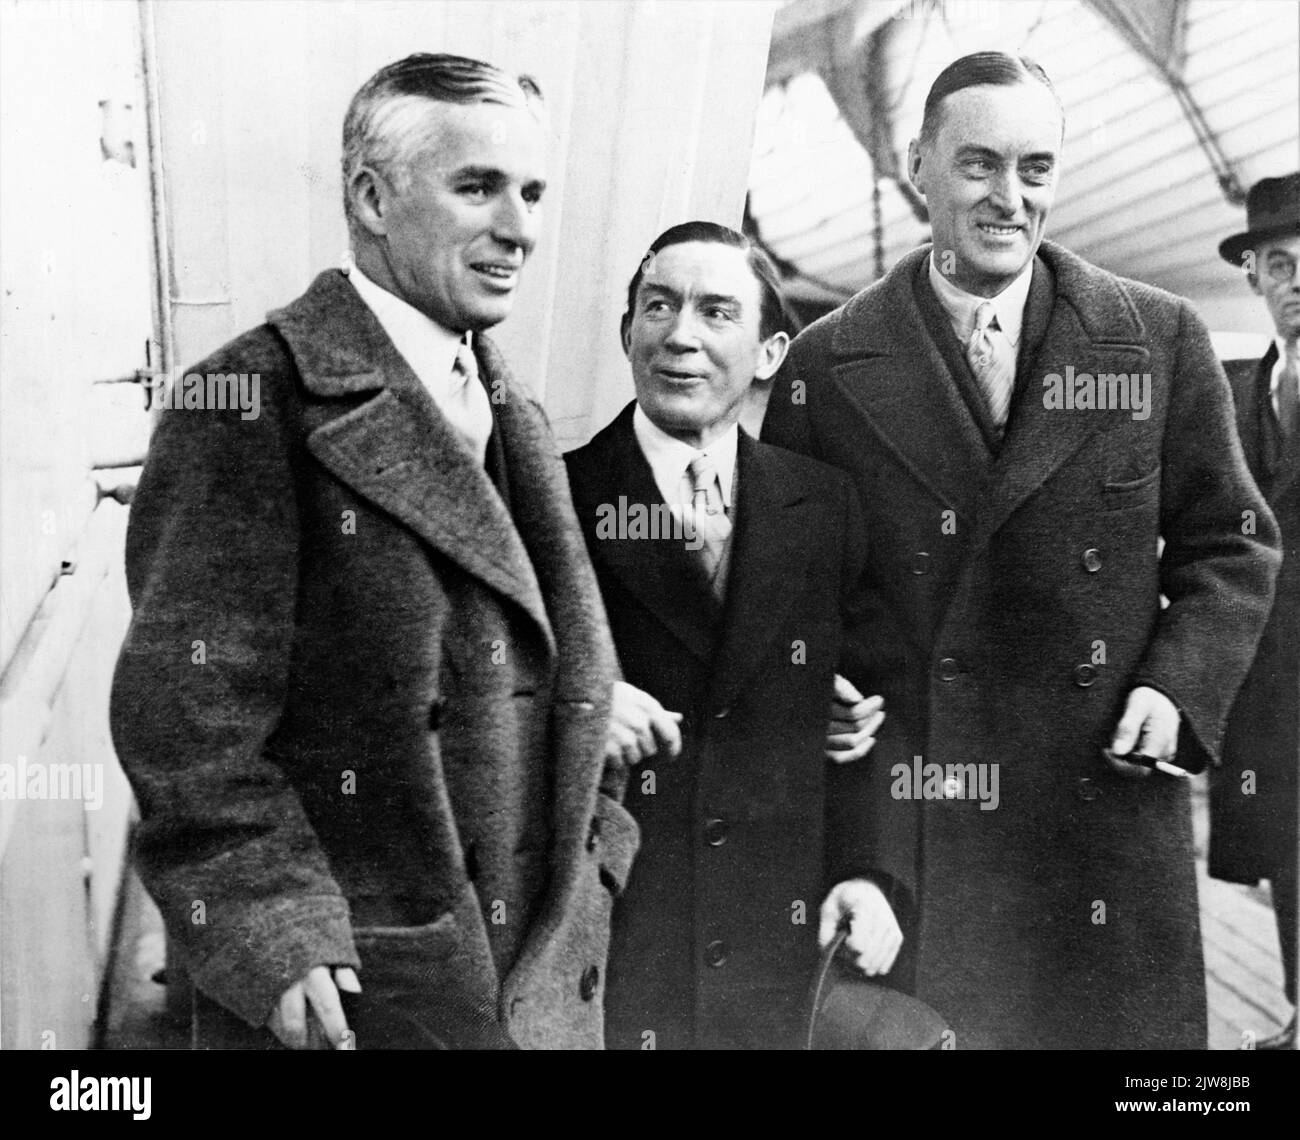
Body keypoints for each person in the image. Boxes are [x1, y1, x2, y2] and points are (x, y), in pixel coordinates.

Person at [110, 52, 678, 1050]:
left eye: (533, 191)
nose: (520, 229)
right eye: (477, 189)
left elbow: (500, 638)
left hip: (531, 961)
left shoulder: (512, 406)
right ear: (371, 198)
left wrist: (595, 807)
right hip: (364, 984)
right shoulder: (249, 401)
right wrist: (272, 928)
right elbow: (186, 723)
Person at [762, 51, 1281, 1049]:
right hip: (921, 829)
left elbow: (1233, 544)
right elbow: (790, 600)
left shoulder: (1154, 339)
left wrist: (1175, 689)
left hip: (1104, 824)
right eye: (978, 165)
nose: (1010, 197)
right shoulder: (828, 364)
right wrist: (811, 678)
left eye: (1035, 168)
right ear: (917, 166)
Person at [564, 221, 897, 1049]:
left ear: (771, 352)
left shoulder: (824, 506)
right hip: (609, 941)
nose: (681, 334)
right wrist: (579, 704)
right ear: (627, 333)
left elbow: (871, 719)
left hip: (771, 947)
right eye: (658, 307)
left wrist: (867, 869)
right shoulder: (551, 496)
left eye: (716, 312)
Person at [1211, 171, 1300, 1050]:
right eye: (1280, 263)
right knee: (1288, 857)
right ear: (1256, 280)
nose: (1298, 279)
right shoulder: (1228, 392)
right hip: (1266, 683)